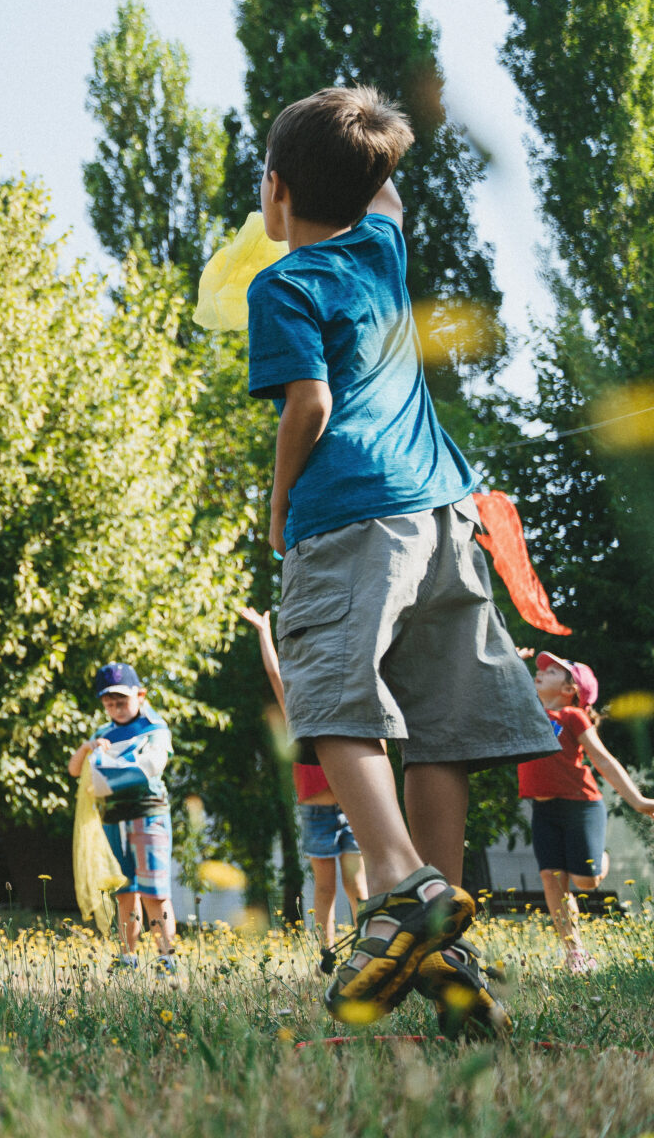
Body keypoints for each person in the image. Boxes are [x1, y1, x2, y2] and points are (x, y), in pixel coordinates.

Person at [247, 85, 559, 1036]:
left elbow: (311, 406)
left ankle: (399, 881)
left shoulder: (285, 286)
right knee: (439, 724)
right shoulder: (381, 247)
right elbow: (381, 193)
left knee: (330, 689)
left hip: (350, 514)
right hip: (441, 514)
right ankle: (445, 944)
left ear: (276, 191)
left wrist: (279, 505)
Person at [516, 649, 654, 971]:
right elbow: (504, 684)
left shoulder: (573, 717)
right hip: (544, 810)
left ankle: (599, 857)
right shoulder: (528, 711)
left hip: (581, 806)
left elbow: (603, 759)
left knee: (585, 881)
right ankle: (575, 953)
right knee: (552, 878)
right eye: (543, 668)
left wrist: (639, 801)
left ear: (569, 690)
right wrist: (510, 657)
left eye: (552, 671)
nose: (542, 671)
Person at [238, 605, 368, 947]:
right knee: (324, 887)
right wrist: (265, 631)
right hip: (316, 813)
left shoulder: (347, 711)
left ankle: (367, 946)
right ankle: (326, 952)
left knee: (358, 887)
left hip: (351, 810)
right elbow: (275, 674)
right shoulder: (297, 714)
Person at [68, 662, 175, 972]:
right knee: (124, 891)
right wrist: (88, 748)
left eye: (122, 700)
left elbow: (154, 764)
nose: (116, 708)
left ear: (140, 695)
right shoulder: (102, 733)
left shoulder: (154, 728)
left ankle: (166, 958)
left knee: (154, 891)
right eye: (109, 702)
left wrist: (117, 767)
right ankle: (128, 957)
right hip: (114, 819)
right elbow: (75, 770)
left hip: (148, 813)